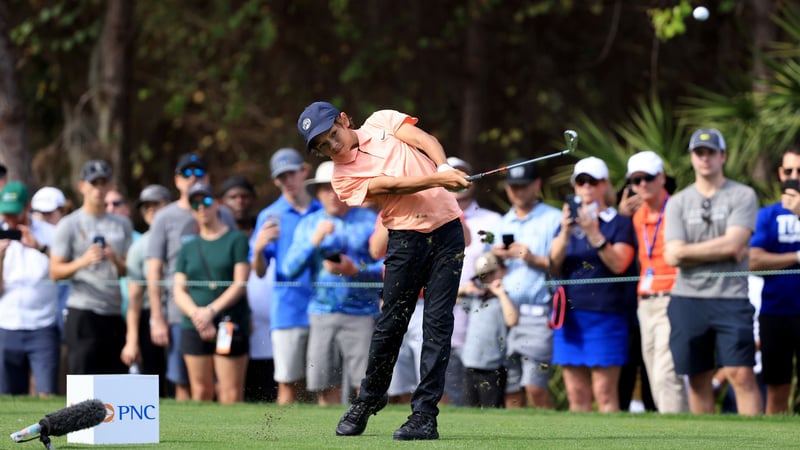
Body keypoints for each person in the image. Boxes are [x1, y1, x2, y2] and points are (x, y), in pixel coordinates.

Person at [298, 101, 469, 440]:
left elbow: (424, 139)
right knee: (392, 324)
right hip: (406, 239)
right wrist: (437, 177)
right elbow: (391, 186)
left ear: (344, 120)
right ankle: (368, 399)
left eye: (333, 134)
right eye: (322, 146)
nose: (333, 146)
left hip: (448, 232)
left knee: (438, 324)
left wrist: (445, 165)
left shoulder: (382, 121)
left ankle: (424, 416)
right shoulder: (341, 178)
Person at [663, 128, 762, 416]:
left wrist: (687, 252)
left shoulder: (743, 194)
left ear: (723, 156)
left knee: (740, 374)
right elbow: (672, 255)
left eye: (710, 152)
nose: (705, 158)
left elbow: (734, 245)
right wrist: (723, 247)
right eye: (699, 153)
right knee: (697, 378)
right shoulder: (678, 202)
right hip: (687, 298)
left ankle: (757, 444)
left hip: (731, 297)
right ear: (692, 158)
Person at [282, 161, 382, 405]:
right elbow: (288, 270)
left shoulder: (369, 220)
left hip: (363, 314)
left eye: (338, 187)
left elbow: (387, 266)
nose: (332, 193)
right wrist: (313, 242)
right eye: (326, 188)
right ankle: (330, 439)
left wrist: (355, 269)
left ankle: (362, 431)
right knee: (324, 384)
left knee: (365, 384)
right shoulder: (309, 224)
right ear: (318, 193)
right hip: (321, 312)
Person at [549, 156, 637, 413]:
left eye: (593, 181)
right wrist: (566, 232)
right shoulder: (564, 225)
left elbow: (619, 264)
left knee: (604, 393)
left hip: (606, 315)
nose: (586, 187)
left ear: (604, 185)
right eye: (581, 182)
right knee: (576, 394)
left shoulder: (619, 223)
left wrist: (592, 232)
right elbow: (553, 265)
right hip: (570, 316)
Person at [147, 153, 236, 400]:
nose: (193, 178)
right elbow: (154, 270)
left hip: (220, 310)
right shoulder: (165, 217)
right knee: (184, 383)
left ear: (207, 177)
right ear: (177, 180)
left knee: (223, 384)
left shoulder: (223, 214)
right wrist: (157, 317)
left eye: (198, 173)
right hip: (180, 313)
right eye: (186, 173)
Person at [250, 148, 322, 405]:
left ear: (304, 171)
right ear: (275, 181)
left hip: (325, 308)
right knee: (288, 386)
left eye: (291, 173)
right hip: (287, 311)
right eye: (281, 177)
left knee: (325, 388)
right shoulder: (269, 216)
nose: (287, 181)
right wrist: (259, 248)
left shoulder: (323, 210)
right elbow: (258, 271)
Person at [50, 160, 133, 375]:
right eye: (93, 183)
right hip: (83, 311)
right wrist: (82, 261)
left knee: (115, 384)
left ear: (109, 186)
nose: (98, 188)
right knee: (83, 383)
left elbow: (127, 271)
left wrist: (115, 260)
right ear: (82, 186)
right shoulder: (69, 224)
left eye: (103, 182)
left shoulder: (122, 224)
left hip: (114, 312)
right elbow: (54, 272)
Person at [491, 159, 561, 409]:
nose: (517, 191)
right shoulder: (502, 223)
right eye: (513, 186)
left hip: (537, 314)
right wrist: (495, 258)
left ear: (537, 185)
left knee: (535, 387)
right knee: (511, 389)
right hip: (504, 310)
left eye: (523, 185)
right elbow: (493, 272)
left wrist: (530, 258)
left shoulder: (553, 219)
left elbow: (560, 265)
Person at [173, 182, 250, 403]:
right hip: (194, 324)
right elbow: (179, 289)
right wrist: (198, 315)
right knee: (200, 391)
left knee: (230, 393)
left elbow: (240, 283)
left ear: (216, 204)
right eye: (195, 203)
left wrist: (211, 311)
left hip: (229, 321)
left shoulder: (235, 239)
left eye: (206, 201)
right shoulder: (188, 246)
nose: (201, 207)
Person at [624, 151, 688, 413]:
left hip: (673, 297)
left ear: (661, 178)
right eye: (635, 180)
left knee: (666, 372)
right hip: (646, 301)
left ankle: (677, 434)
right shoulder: (637, 216)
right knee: (653, 370)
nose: (641, 185)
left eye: (647, 178)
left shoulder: (678, 208)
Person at [443, 156, 501, 407]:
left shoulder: (492, 220)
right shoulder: (431, 218)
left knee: (482, 381)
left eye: (462, 173)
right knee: (448, 381)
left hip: (481, 312)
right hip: (447, 308)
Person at [748, 145, 800, 414]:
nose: (795, 176)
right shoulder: (767, 215)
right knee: (777, 390)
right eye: (789, 170)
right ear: (780, 173)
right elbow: (754, 261)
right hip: (776, 312)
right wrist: (797, 257)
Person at [0, 181, 60, 397]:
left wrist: (39, 247)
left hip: (42, 326)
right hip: (6, 326)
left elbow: (63, 269)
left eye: (14, 213)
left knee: (46, 395)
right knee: (7, 397)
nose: (10, 220)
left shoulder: (50, 233)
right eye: (6, 215)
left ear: (27, 207)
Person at [120, 184, 171, 394]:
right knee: (155, 386)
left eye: (156, 204)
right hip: (149, 320)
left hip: (182, 314)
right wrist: (131, 340)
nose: (151, 210)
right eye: (146, 206)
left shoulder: (186, 235)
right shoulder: (139, 247)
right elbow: (134, 299)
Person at [461, 252, 519, 408]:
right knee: (469, 409)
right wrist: (467, 289)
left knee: (491, 409)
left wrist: (500, 294)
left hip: (493, 368)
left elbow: (512, 319)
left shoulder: (505, 298)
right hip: (470, 364)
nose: (488, 279)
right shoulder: (474, 298)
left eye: (492, 273)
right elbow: (449, 296)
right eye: (483, 276)